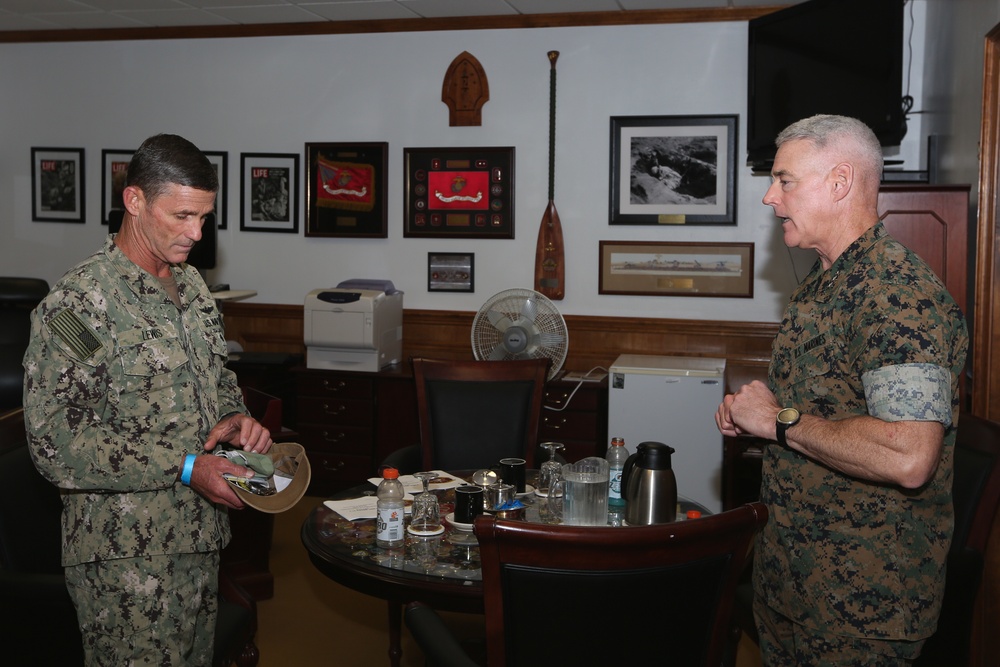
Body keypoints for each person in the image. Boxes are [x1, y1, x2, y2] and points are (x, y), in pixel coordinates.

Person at [716, 115, 968, 665]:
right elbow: (824, 412)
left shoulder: (896, 297)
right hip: (796, 587)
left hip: (862, 609)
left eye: (785, 180)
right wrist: (760, 414)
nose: (769, 197)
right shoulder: (825, 285)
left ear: (839, 182)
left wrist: (778, 421)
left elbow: (908, 456)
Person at [22, 133, 273, 665]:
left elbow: (214, 374)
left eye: (204, 217)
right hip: (126, 558)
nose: (196, 233)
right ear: (134, 202)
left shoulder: (193, 286)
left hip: (199, 538)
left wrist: (233, 415)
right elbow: (56, 444)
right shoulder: (78, 304)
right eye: (182, 216)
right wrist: (185, 466)